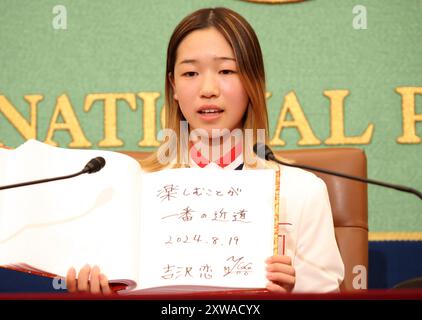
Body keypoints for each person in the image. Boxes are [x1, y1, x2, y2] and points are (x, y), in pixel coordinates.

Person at [66, 7, 344, 294]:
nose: (208, 88)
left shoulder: (301, 190)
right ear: (173, 85)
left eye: (226, 70)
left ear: (253, 82)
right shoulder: (132, 189)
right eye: (190, 73)